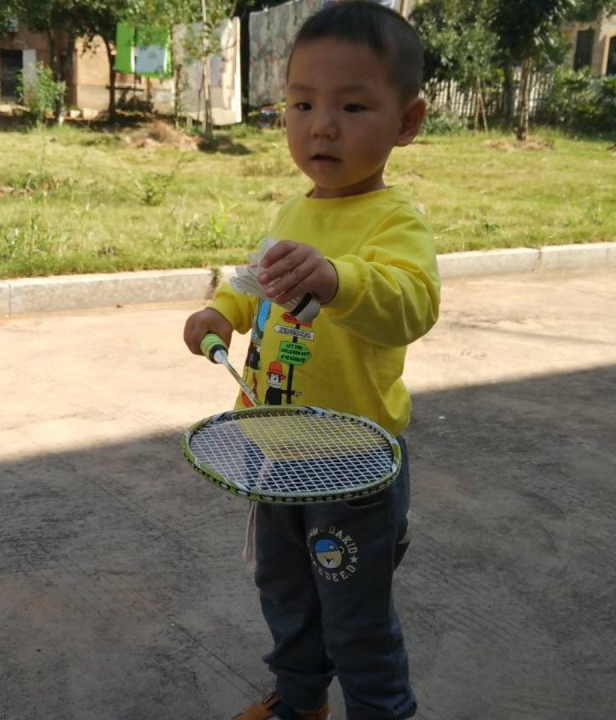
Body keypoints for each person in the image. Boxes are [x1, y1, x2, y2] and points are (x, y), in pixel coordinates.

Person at [184, 2, 440, 718]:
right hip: (274, 453)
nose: (321, 125)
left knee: (356, 621)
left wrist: (337, 280)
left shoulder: (394, 222)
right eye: (302, 104)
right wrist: (223, 312)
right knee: (286, 595)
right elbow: (254, 282)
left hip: (353, 466)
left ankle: (380, 709)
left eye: (352, 106)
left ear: (407, 122)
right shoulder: (295, 212)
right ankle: (299, 703)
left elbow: (412, 304)